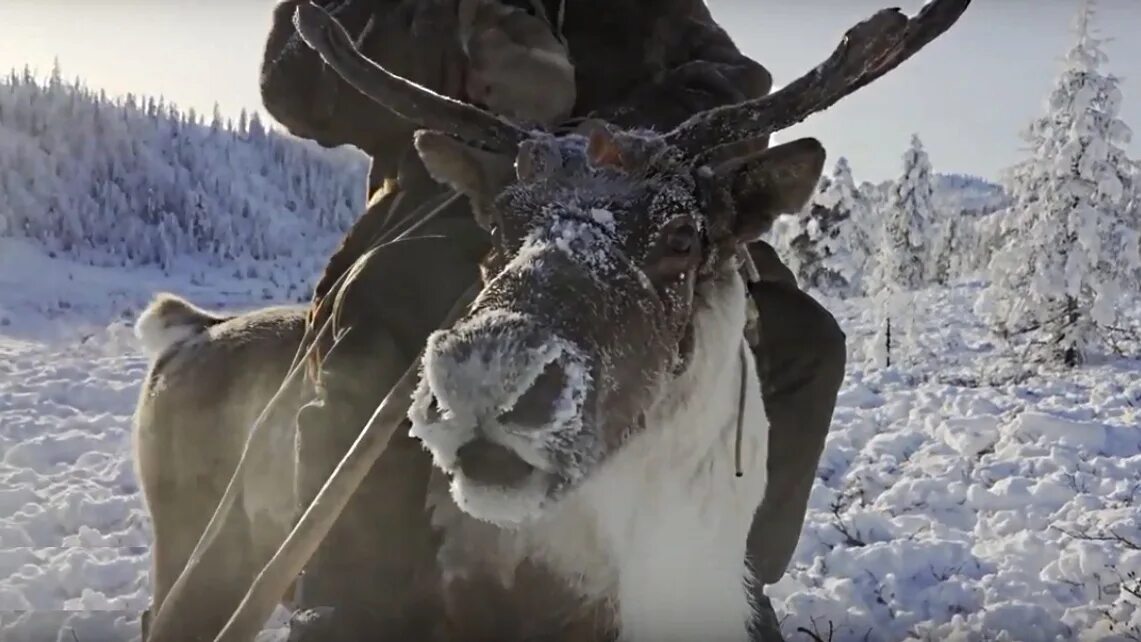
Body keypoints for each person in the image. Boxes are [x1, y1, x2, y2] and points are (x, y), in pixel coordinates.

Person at [259, 0, 846, 639]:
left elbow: (733, 78)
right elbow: (296, 89)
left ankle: (732, 576)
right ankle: (354, 594)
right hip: (465, 198)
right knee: (386, 303)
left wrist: (610, 138)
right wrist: (449, 58)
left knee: (801, 341)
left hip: (637, 208)